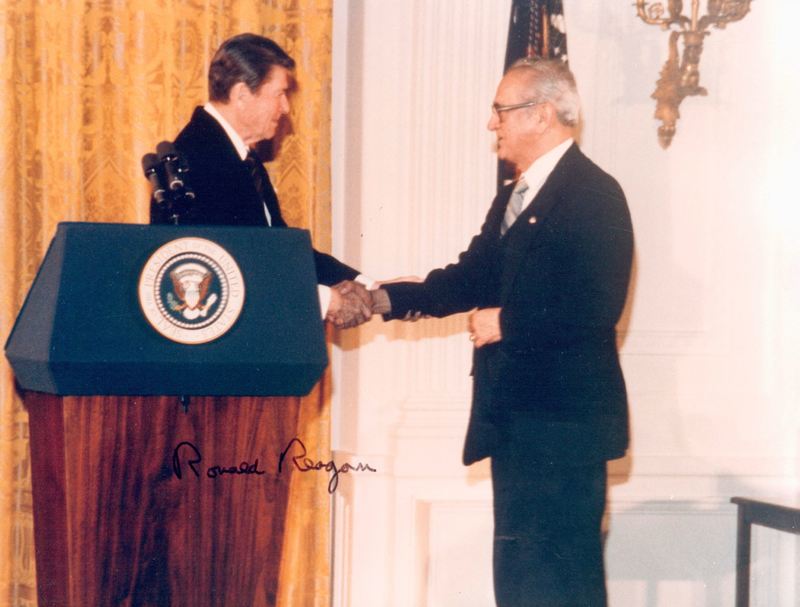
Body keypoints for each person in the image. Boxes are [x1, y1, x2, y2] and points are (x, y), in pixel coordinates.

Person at [364, 58, 634, 605]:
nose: (493, 124)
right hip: (516, 423)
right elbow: (470, 276)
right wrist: (379, 299)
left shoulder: (595, 194)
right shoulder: (517, 194)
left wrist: (505, 321)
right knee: (520, 584)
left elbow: (596, 307)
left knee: (561, 586)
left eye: (501, 111)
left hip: (563, 432)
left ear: (541, 114)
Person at [150, 33, 372, 327]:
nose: (286, 108)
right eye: (279, 94)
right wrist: (327, 299)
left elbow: (280, 249)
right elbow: (230, 270)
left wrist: (367, 285)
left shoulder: (241, 157)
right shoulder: (200, 158)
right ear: (241, 94)